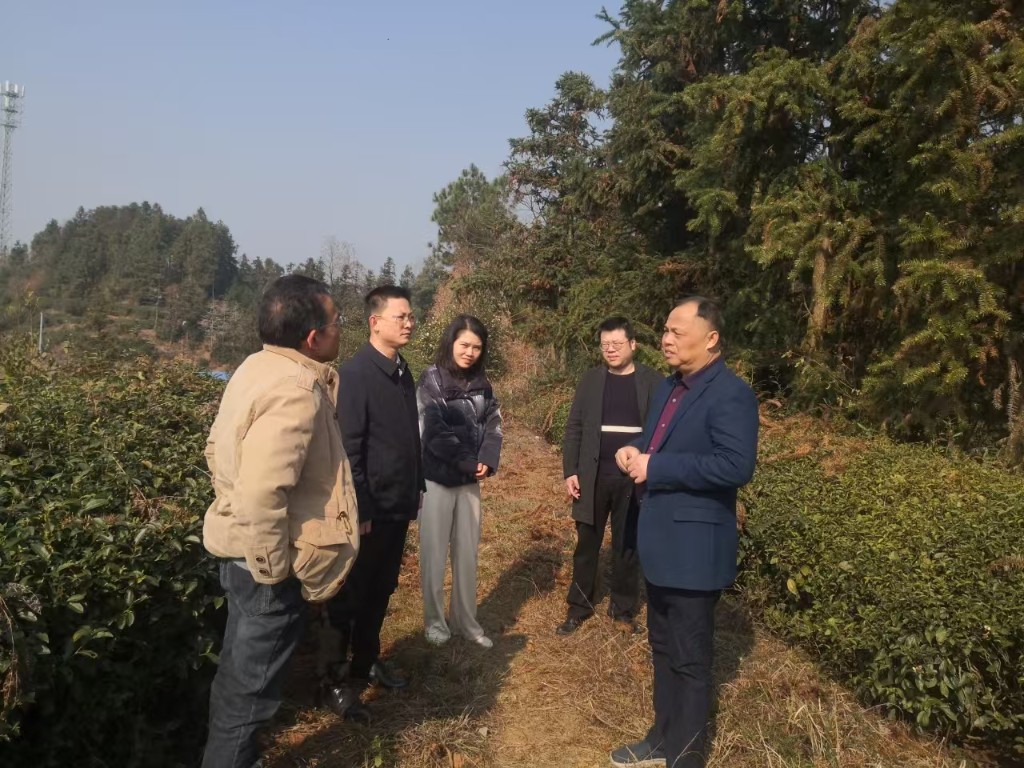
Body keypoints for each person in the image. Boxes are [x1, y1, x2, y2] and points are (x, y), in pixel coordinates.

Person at [200, 274, 361, 768]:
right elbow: (263, 491)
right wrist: (274, 567)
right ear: (313, 337)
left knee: (237, 685)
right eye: (336, 321)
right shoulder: (296, 389)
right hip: (264, 567)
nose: (340, 329)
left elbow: (215, 450)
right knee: (248, 700)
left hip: (242, 554)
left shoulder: (254, 367)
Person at [610, 297, 759, 768]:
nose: (666, 339)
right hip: (659, 541)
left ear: (711, 338)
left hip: (695, 550)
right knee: (661, 646)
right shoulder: (669, 388)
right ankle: (662, 738)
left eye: (677, 331)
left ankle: (686, 758)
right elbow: (658, 444)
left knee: (690, 660)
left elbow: (735, 465)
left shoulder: (730, 393)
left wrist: (656, 467)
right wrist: (634, 450)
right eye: (665, 331)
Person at [326, 285, 424, 701]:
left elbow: (408, 438)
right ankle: (333, 680)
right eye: (401, 316)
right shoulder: (356, 374)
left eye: (410, 316)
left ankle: (365, 662)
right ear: (375, 321)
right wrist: (361, 506)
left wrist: (417, 486)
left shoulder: (402, 371)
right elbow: (349, 448)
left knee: (382, 587)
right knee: (350, 593)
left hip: (398, 502)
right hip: (370, 508)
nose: (409, 323)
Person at [557, 317, 663, 636]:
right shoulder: (591, 380)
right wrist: (570, 471)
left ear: (633, 344)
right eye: (605, 345)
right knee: (586, 545)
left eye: (617, 344)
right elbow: (574, 427)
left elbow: (660, 431)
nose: (611, 350)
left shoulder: (652, 381)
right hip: (592, 476)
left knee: (626, 545)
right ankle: (579, 607)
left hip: (633, 479)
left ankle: (623, 610)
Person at [417, 314, 503, 649]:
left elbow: (494, 424)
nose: (470, 352)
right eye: (464, 345)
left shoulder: (483, 384)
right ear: (451, 343)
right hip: (437, 481)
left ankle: (466, 622)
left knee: (467, 555)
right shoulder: (432, 379)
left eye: (476, 347)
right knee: (434, 555)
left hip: (469, 483)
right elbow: (433, 430)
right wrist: (468, 461)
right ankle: (435, 623)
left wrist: (487, 460)